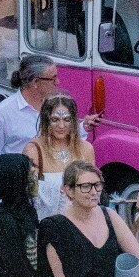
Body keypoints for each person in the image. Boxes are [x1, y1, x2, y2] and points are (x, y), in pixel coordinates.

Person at [25, 91, 95, 219]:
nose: (61, 126)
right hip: (46, 227)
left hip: (80, 225)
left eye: (67, 119)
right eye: (55, 120)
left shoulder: (86, 149)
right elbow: (28, 198)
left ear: (73, 121)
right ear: (46, 121)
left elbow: (94, 193)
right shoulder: (33, 151)